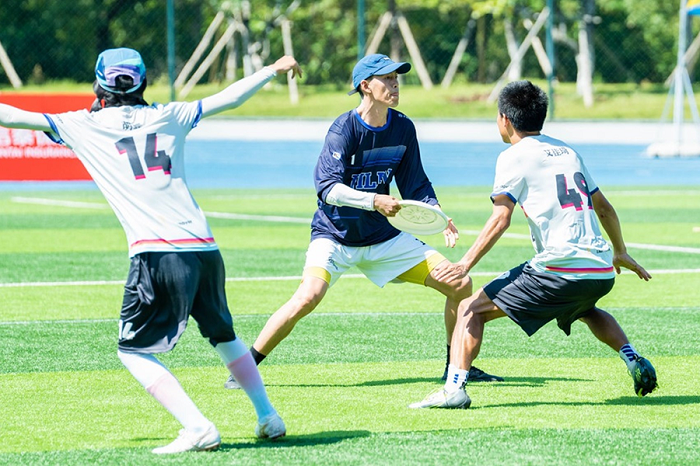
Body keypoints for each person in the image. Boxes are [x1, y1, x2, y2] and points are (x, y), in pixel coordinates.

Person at [0, 48, 302, 453]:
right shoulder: (169, 115)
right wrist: (271, 68)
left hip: (158, 253)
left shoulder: (82, 125)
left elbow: (13, 116)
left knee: (132, 352)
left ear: (99, 83)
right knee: (224, 336)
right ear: (143, 82)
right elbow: (229, 98)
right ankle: (268, 416)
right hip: (206, 249)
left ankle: (197, 427)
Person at [224, 53, 501, 391]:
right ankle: (245, 369)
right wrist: (373, 200)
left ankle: (457, 366)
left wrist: (437, 214)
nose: (395, 84)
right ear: (365, 86)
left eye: (397, 78)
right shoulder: (344, 128)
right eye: (387, 79)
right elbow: (327, 188)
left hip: (382, 239)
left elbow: (416, 183)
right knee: (307, 297)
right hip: (334, 237)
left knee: (459, 283)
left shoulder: (403, 127)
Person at [410, 80, 658, 409]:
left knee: (471, 309)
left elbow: (501, 218)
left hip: (558, 269)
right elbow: (605, 208)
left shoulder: (513, 156)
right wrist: (620, 251)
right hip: (600, 270)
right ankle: (633, 359)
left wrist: (465, 263)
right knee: (585, 307)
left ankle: (454, 389)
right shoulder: (569, 152)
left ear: (504, 119)